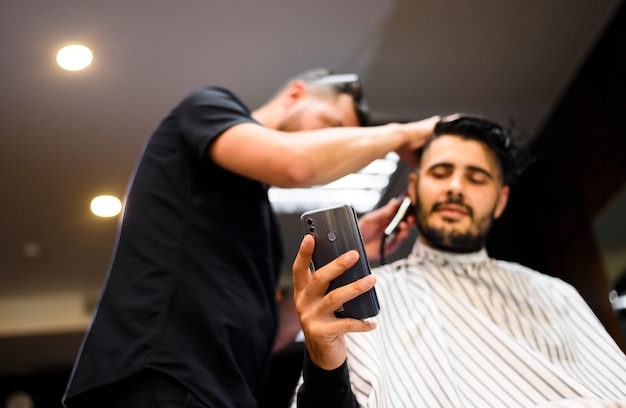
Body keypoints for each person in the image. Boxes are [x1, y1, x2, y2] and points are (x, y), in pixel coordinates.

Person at [61, 67, 441, 408]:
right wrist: (403, 132)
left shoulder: (258, 217)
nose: (329, 143)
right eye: (329, 124)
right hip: (160, 376)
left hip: (224, 391)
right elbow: (296, 164)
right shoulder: (208, 106)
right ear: (295, 94)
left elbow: (268, 334)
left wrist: (360, 258)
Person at [291, 115, 626, 407]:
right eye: (440, 172)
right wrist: (324, 364)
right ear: (414, 188)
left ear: (500, 200)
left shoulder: (555, 294)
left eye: (476, 178)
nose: (455, 187)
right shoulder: (362, 298)